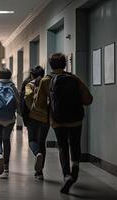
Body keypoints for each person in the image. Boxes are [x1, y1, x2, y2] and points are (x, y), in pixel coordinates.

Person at [34, 53, 93, 193]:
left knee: (62, 146)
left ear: (50, 65)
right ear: (65, 64)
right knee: (75, 143)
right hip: (76, 119)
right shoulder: (73, 78)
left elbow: (39, 105)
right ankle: (76, 166)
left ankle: (66, 175)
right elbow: (88, 99)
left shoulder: (46, 80)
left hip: (57, 120)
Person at [23, 66, 49, 180]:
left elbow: (27, 96)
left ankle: (37, 153)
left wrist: (32, 108)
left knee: (32, 140)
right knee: (42, 142)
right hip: (45, 118)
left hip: (33, 117)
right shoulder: (48, 83)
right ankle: (40, 172)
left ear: (32, 75)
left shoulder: (30, 84)